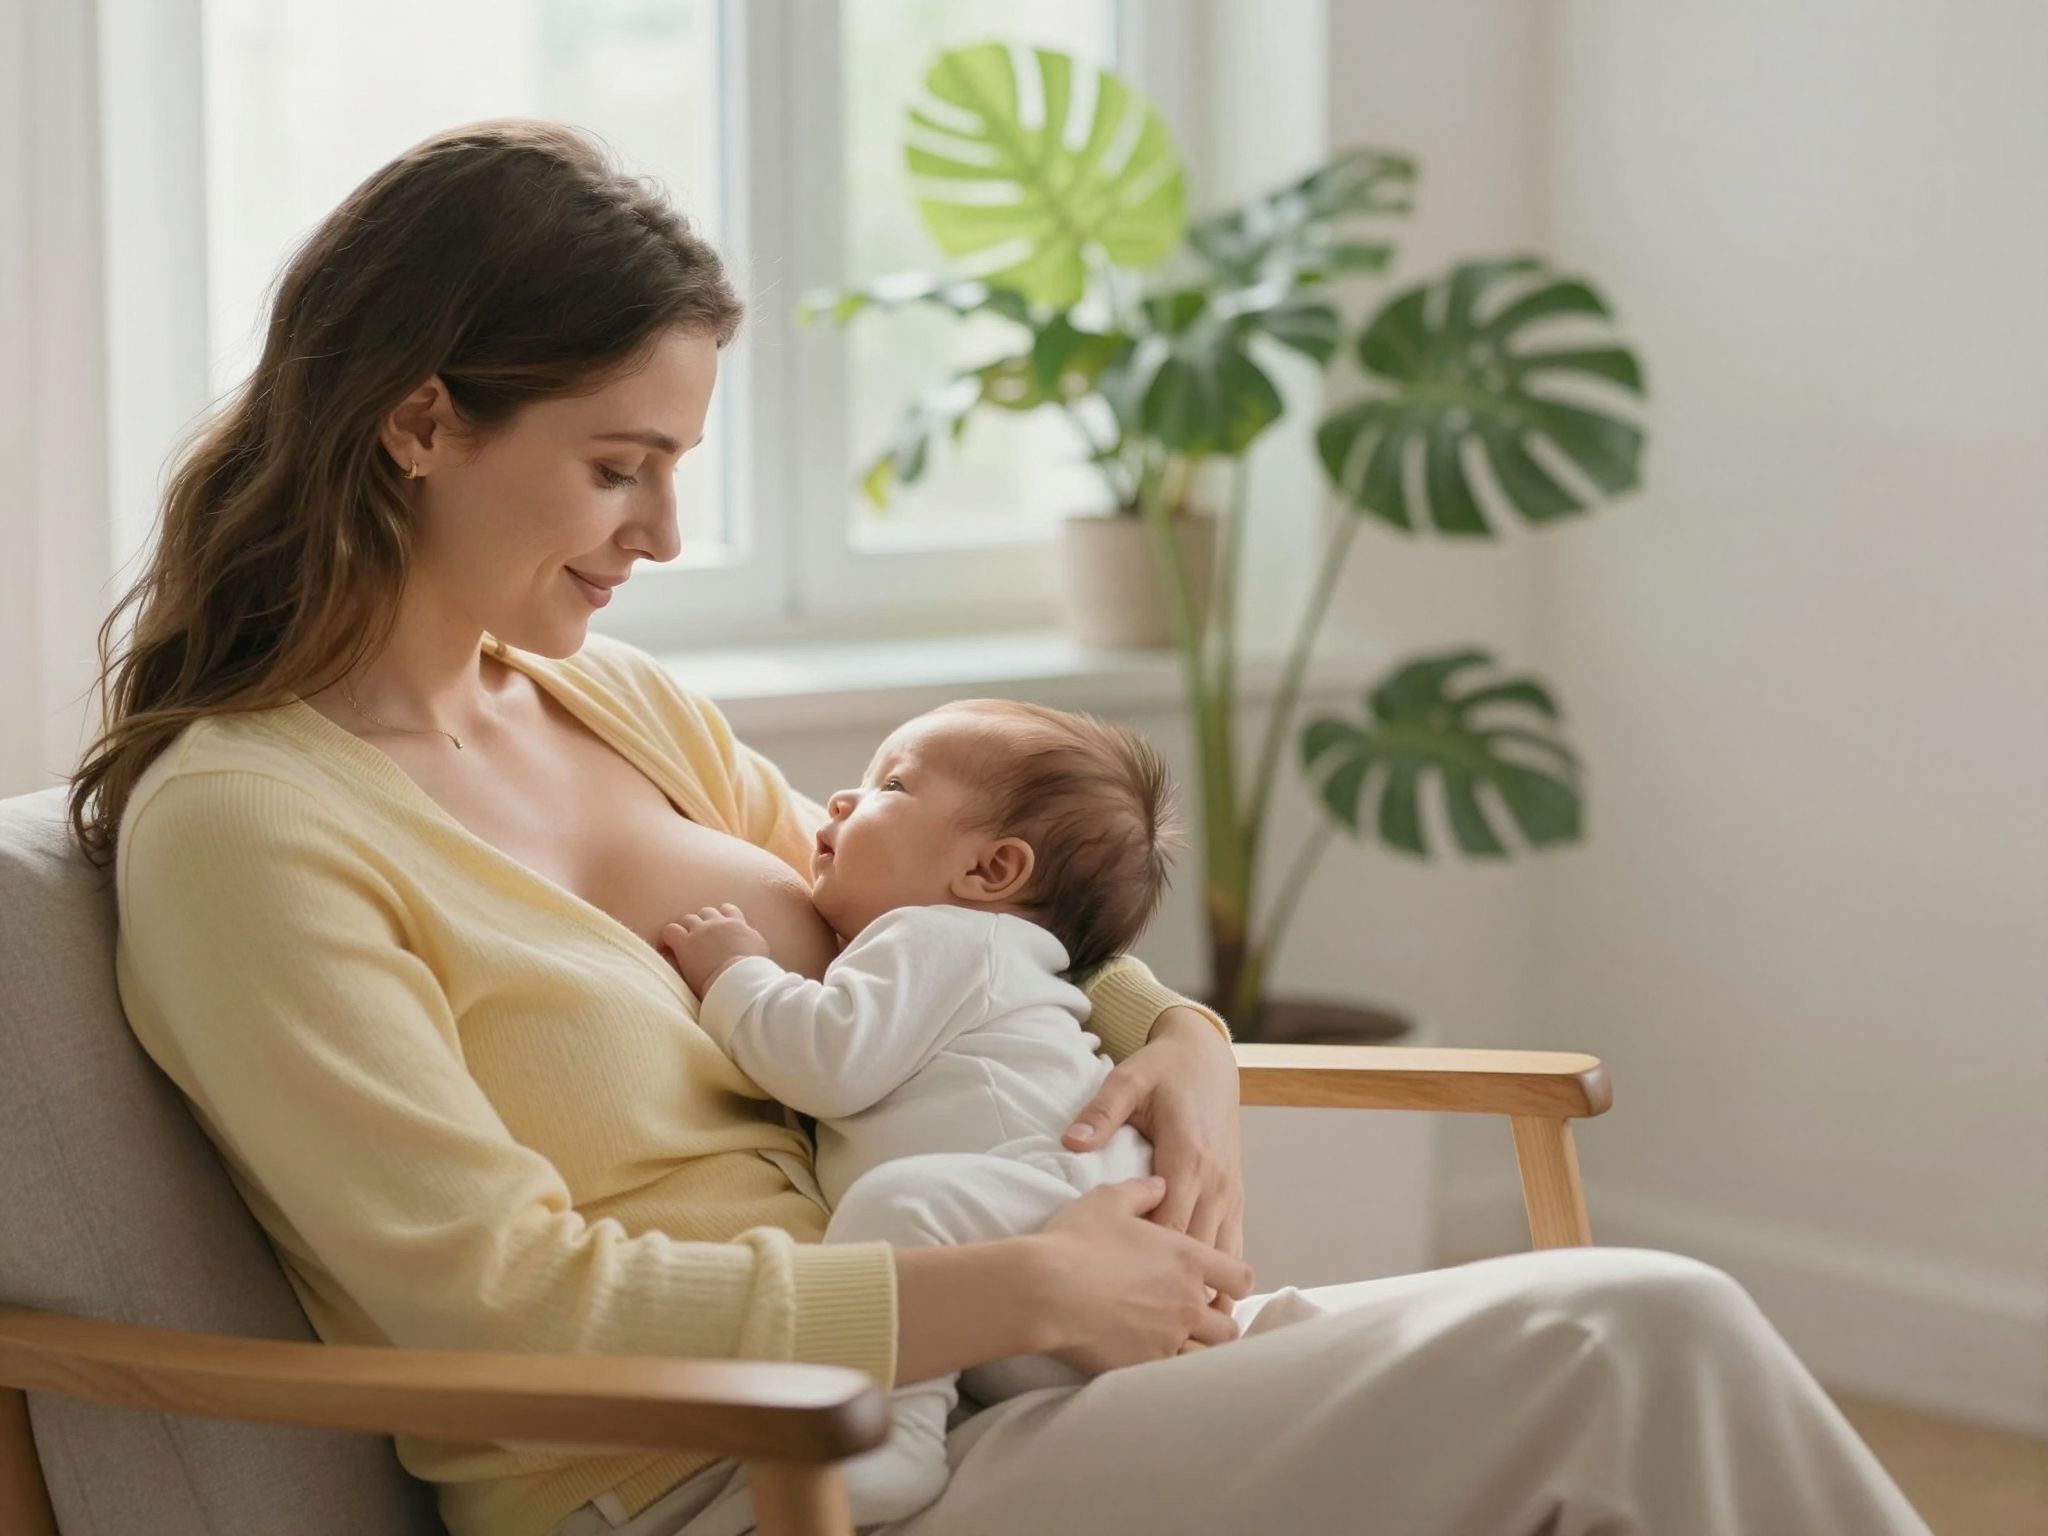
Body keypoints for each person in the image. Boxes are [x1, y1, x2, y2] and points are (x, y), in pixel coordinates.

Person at [72, 118, 1933, 1536]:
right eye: (614, 465)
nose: (658, 534)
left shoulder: (601, 700)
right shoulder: (246, 830)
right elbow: (484, 1294)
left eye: (677, 469)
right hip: (743, 1479)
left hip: (976, 1385)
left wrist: (1180, 1037)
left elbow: (927, 906)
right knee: (1621, 1339)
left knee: (1628, 1350)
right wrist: (1014, 1280)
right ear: (414, 422)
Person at [663, 699, 1309, 1530]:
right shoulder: (988, 951)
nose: (838, 803)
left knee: (900, 1206)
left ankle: (896, 1435)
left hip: (1049, 1226)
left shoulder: (936, 937)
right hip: (1074, 1254)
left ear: (993, 872)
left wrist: (736, 972)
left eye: (891, 785)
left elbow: (824, 1061)